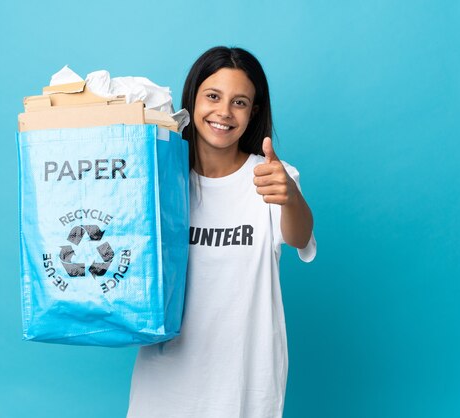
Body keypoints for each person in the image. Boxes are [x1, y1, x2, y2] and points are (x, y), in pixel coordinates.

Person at [126, 46, 317, 418]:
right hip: (164, 381)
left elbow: (299, 237)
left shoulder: (272, 176)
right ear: (192, 99)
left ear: (253, 113)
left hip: (244, 385)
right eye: (213, 96)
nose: (224, 112)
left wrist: (290, 197)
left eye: (240, 102)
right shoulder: (159, 176)